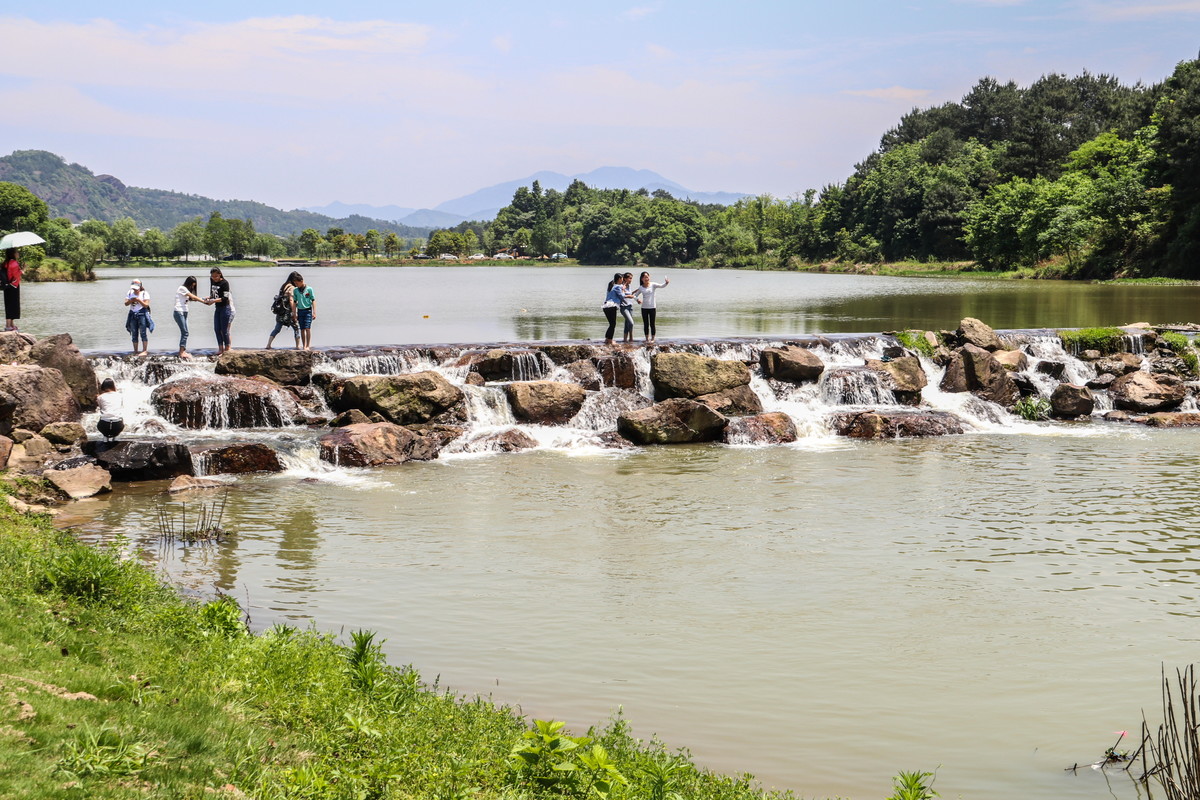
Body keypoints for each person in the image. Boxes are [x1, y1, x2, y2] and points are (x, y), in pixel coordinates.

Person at [633, 271, 670, 343]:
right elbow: (635, 295)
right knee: (646, 324)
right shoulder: (641, 287)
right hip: (644, 308)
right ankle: (647, 339)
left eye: (647, 277)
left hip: (652, 307)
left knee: (652, 324)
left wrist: (666, 283)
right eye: (644, 277)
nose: (646, 278)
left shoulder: (653, 284)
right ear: (642, 279)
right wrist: (637, 300)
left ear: (649, 277)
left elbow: (661, 286)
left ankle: (653, 339)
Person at [173, 276, 206, 359]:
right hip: (179, 312)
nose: (193, 287)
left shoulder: (186, 290)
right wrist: (204, 302)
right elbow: (194, 297)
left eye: (194, 286)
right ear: (189, 283)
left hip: (184, 312)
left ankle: (183, 350)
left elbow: (193, 299)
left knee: (186, 332)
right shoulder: (182, 288)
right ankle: (181, 352)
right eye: (192, 285)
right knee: (185, 332)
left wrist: (206, 298)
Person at [266, 272, 300, 350]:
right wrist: (294, 312)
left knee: (277, 329)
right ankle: (298, 346)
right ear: (294, 280)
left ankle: (268, 344)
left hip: (280, 312)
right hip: (288, 312)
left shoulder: (284, 286)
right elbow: (291, 300)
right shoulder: (292, 288)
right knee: (296, 327)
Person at [123, 278, 152, 357]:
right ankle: (135, 351)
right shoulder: (130, 293)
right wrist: (131, 300)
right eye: (133, 288)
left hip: (142, 314)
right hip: (132, 314)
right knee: (134, 333)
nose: (134, 290)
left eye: (136, 288)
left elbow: (146, 305)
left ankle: (144, 350)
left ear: (140, 286)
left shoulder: (145, 293)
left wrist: (138, 300)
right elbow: (125, 303)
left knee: (143, 333)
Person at [209, 268, 234, 355]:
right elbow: (213, 294)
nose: (214, 278)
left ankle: (227, 348)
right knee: (216, 329)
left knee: (224, 330)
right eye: (212, 276)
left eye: (216, 276)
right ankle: (220, 349)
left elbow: (225, 298)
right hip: (218, 308)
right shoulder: (212, 280)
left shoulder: (225, 283)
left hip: (225, 308)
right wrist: (209, 298)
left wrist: (213, 301)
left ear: (220, 274)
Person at [292, 273, 316, 351]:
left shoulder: (309, 289)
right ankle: (304, 345)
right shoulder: (295, 290)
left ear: (301, 281)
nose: (296, 284)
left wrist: (314, 312)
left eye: (297, 283)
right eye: (295, 283)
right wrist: (294, 313)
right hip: (300, 311)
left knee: (307, 328)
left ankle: (308, 345)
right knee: (302, 329)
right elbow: (294, 302)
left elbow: (313, 300)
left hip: (308, 310)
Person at [602, 272, 625, 345]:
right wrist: (623, 289)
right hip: (612, 306)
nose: (623, 280)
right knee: (613, 324)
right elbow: (622, 296)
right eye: (622, 278)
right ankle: (610, 340)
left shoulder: (611, 286)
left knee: (611, 324)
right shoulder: (617, 287)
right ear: (619, 279)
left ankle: (607, 338)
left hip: (606, 306)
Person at [2, 248, 21, 332]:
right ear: (13, 254)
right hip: (14, 286)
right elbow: (16, 275)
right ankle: (8, 325)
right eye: (17, 252)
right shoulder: (14, 263)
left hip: (7, 286)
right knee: (13, 305)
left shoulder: (5, 263)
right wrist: (22, 270)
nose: (18, 253)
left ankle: (11, 324)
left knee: (8, 304)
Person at [619, 272, 637, 344]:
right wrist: (629, 295)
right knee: (631, 323)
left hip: (630, 307)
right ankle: (631, 338)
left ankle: (625, 339)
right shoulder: (621, 286)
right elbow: (622, 295)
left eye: (631, 278)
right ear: (625, 279)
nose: (631, 280)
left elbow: (629, 294)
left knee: (627, 324)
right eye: (630, 278)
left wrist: (633, 292)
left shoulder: (629, 286)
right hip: (624, 307)